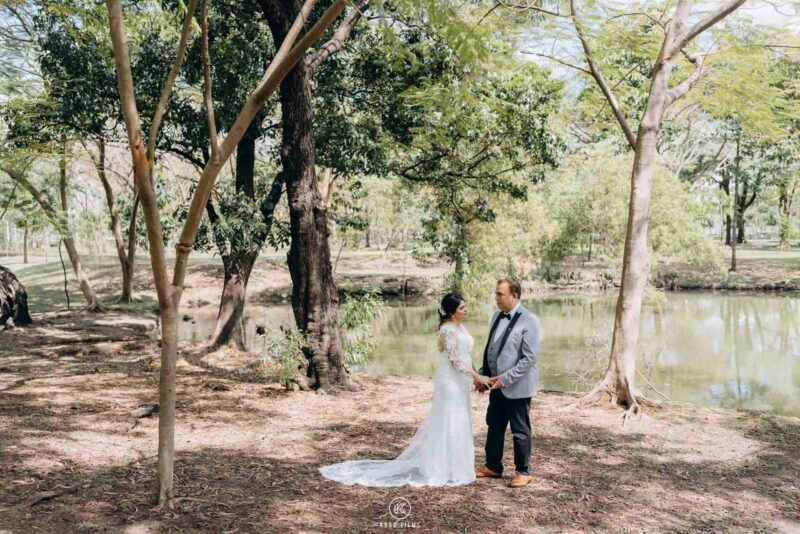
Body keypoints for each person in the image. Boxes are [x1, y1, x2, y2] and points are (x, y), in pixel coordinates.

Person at [319, 293, 492, 487]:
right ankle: (444, 467)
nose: (466, 310)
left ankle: (457, 465)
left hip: (461, 382)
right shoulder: (447, 330)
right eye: (462, 308)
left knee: (461, 417)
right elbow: (455, 360)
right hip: (451, 382)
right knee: (450, 419)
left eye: (465, 306)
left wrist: (476, 375)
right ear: (451, 312)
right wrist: (478, 376)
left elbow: (466, 356)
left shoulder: (460, 326)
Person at [473, 277, 541, 488]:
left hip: (517, 387)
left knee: (520, 430)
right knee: (494, 425)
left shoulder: (530, 320)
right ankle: (493, 466)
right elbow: (494, 349)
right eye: (496, 294)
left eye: (500, 294)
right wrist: (483, 376)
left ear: (515, 295)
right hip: (495, 385)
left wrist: (505, 379)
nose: (496, 298)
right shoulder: (496, 316)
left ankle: (523, 471)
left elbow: (529, 358)